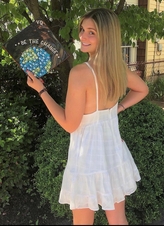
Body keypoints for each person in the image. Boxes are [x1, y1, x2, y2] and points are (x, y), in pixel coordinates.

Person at [26, 8, 149, 225]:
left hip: (86, 159)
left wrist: (42, 91)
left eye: (91, 32)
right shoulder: (117, 68)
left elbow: (70, 125)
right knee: (118, 219)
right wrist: (117, 108)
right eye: (83, 30)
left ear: (106, 36)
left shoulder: (81, 73)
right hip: (114, 153)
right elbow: (142, 89)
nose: (82, 36)